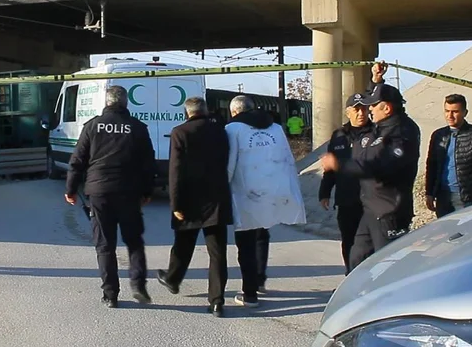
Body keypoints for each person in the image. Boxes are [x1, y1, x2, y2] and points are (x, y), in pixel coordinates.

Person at [321, 64, 421, 271]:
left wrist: (340, 164)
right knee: (357, 258)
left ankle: (390, 302)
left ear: (387, 108)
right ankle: (356, 298)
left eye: (372, 107)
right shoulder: (382, 127)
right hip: (370, 210)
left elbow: (379, 165)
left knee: (388, 266)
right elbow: (371, 97)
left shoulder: (401, 132)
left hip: (389, 212)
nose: (368, 111)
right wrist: (375, 80)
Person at [64, 85, 157, 308]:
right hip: (129, 191)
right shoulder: (137, 127)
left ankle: (111, 294)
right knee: (134, 241)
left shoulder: (92, 126)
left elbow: (77, 161)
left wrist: (70, 189)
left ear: (106, 102)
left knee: (104, 245)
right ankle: (139, 286)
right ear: (126, 103)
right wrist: (147, 191)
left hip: (99, 192)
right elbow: (148, 164)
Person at [226, 97, 306, 307]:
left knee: (246, 242)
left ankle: (250, 292)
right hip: (273, 188)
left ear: (234, 112)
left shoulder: (233, 128)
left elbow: (231, 162)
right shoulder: (276, 128)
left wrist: (222, 186)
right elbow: (287, 158)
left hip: (247, 192)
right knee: (262, 235)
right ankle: (259, 279)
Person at [156, 97, 233, 318]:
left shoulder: (180, 132)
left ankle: (172, 279)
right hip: (216, 198)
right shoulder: (220, 131)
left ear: (186, 112)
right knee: (217, 253)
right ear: (206, 110)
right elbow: (226, 160)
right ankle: (217, 302)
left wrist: (176, 203)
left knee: (183, 243)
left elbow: (175, 170)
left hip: (189, 200)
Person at [318, 92, 372, 275]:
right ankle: (351, 278)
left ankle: (369, 281)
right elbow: (330, 167)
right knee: (349, 241)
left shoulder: (376, 134)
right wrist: (324, 192)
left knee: (370, 243)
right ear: (348, 112)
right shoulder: (339, 136)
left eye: (364, 109)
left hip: (370, 200)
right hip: (346, 200)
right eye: (356, 109)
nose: (360, 113)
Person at [425, 94, 472, 218]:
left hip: (468, 198)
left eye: (455, 112)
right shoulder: (438, 135)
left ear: (465, 112)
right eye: (447, 111)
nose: (450, 116)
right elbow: (431, 165)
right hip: (443, 197)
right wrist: (429, 193)